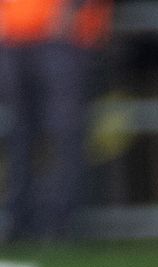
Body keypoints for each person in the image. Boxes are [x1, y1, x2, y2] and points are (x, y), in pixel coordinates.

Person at [0, 0, 111, 242]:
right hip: (13, 36)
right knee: (18, 137)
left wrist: (71, 11)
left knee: (64, 134)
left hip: (65, 38)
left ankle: (58, 226)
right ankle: (19, 224)